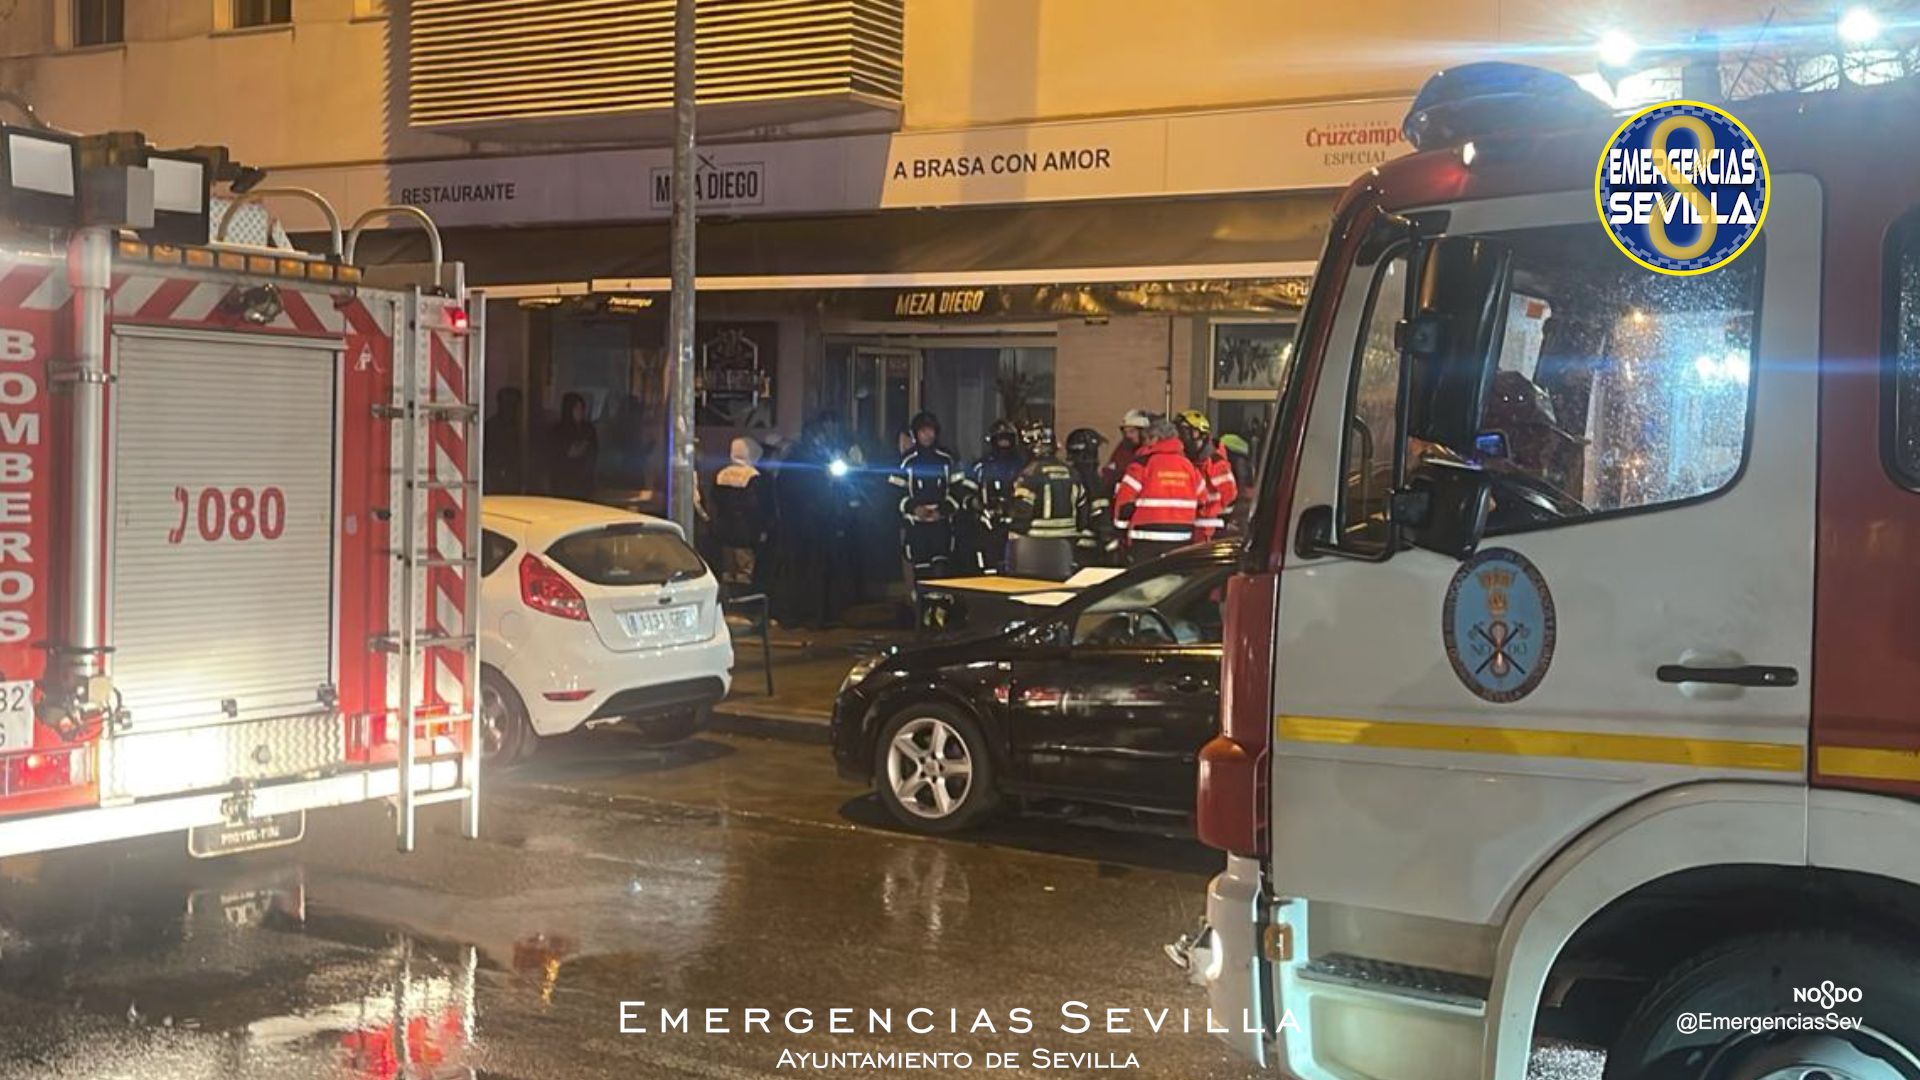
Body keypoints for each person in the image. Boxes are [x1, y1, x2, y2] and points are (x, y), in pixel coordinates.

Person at [1112, 416, 1207, 565]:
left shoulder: (1142, 465)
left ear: (1155, 439)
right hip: (1181, 537)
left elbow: (1124, 502)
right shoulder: (1189, 466)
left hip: (1145, 539)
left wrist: (1121, 533)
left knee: (1145, 578)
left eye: (1147, 439)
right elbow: (1202, 500)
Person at [890, 411, 964, 584]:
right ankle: (921, 600)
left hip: (942, 525)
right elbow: (894, 493)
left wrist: (944, 509)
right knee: (921, 571)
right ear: (915, 433)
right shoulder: (906, 462)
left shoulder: (947, 459)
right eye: (923, 431)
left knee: (941, 570)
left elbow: (959, 490)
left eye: (930, 430)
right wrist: (914, 508)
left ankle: (941, 600)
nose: (927, 435)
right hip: (916, 527)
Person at [1007, 426, 1082, 578]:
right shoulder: (1072, 472)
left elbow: (1023, 509)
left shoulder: (1030, 473)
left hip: (1035, 544)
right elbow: (1083, 508)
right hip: (1066, 546)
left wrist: (1013, 530)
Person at [964, 421, 1026, 573]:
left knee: (1014, 566)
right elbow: (965, 493)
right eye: (1000, 440)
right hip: (986, 524)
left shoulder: (1023, 466)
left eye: (1007, 439)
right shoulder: (980, 466)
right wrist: (976, 503)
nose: (1004, 444)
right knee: (987, 565)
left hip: (1015, 525)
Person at [711, 437, 770, 594]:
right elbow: (756, 507)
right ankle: (744, 602)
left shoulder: (721, 474)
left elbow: (715, 501)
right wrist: (763, 529)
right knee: (745, 572)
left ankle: (728, 601)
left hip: (724, 531)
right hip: (746, 533)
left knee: (727, 572)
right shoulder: (753, 477)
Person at [1176, 409, 1239, 541]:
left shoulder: (1216, 463)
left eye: (1185, 432)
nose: (1181, 437)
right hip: (1191, 527)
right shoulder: (1186, 461)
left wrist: (1214, 515)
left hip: (1210, 530)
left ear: (1199, 434)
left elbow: (1230, 496)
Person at [1064, 427, 1114, 565]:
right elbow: (1100, 515)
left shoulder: (1067, 475)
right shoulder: (1091, 479)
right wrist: (1111, 546)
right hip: (1087, 550)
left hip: (1066, 545)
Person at [548, 392, 598, 500]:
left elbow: (594, 451)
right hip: (564, 481)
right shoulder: (559, 430)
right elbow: (568, 453)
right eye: (576, 408)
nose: (580, 411)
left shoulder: (588, 429)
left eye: (582, 408)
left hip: (585, 481)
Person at [484, 387, 526, 494]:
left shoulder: (519, 427)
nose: (512, 409)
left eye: (515, 405)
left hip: (514, 481)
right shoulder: (491, 427)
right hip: (495, 481)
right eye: (509, 404)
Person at [1100, 409, 1152, 495]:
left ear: (1143, 432)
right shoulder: (1123, 448)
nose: (1128, 435)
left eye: (1132, 431)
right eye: (1125, 432)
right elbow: (1109, 473)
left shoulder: (1151, 451)